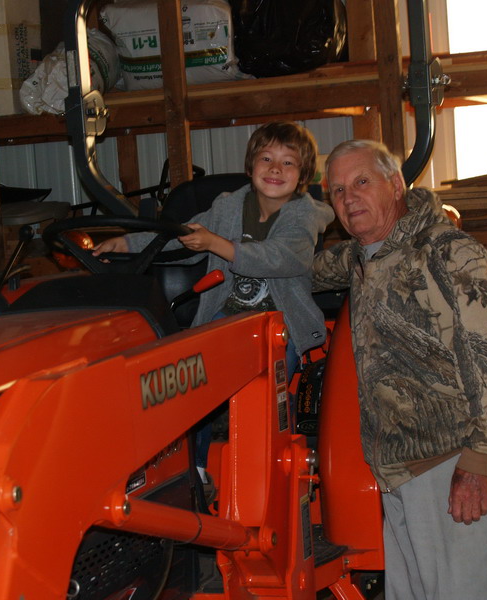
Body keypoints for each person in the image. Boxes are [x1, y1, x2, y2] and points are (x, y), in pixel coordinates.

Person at [312, 139, 487, 600]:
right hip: (400, 473)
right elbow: (302, 270)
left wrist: (478, 460)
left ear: (395, 185)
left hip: (457, 462)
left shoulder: (447, 251)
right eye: (338, 190)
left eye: (361, 182)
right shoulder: (362, 257)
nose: (349, 198)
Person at [94, 120, 335, 488]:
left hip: (280, 323)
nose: (275, 169)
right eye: (266, 158)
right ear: (250, 165)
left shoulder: (304, 215)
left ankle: (267, 467)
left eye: (288, 162)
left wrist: (217, 244)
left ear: (303, 175)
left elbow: (284, 258)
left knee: (269, 387)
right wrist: (127, 243)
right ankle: (198, 468)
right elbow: (183, 236)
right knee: (197, 381)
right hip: (230, 314)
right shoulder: (228, 206)